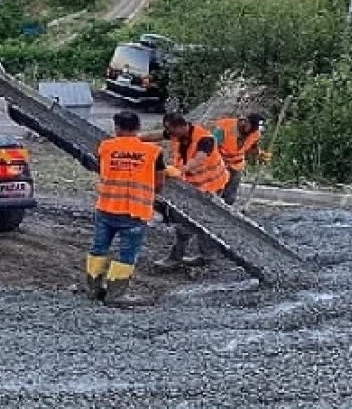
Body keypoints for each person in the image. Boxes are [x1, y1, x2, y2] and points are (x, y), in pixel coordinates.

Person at [86, 111, 166, 308]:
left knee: (98, 249)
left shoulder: (105, 147)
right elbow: (160, 182)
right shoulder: (153, 152)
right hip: (134, 211)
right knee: (127, 254)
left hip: (106, 208)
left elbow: (101, 167)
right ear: (138, 127)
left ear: (117, 128)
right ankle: (116, 295)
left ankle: (93, 290)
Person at [141, 113, 230, 272]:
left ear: (181, 126)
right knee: (195, 222)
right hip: (192, 185)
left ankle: (180, 258)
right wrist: (134, 139)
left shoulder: (204, 139)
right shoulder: (177, 133)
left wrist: (180, 170)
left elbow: (199, 159)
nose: (170, 133)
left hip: (211, 186)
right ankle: (205, 255)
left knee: (195, 222)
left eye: (171, 130)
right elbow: (155, 136)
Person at [214, 113, 270, 205]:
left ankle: (225, 211)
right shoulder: (225, 128)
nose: (253, 132)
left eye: (255, 129)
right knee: (215, 192)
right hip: (219, 164)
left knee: (230, 197)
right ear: (246, 122)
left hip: (236, 166)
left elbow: (252, 147)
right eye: (252, 128)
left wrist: (260, 155)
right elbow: (211, 147)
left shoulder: (255, 133)